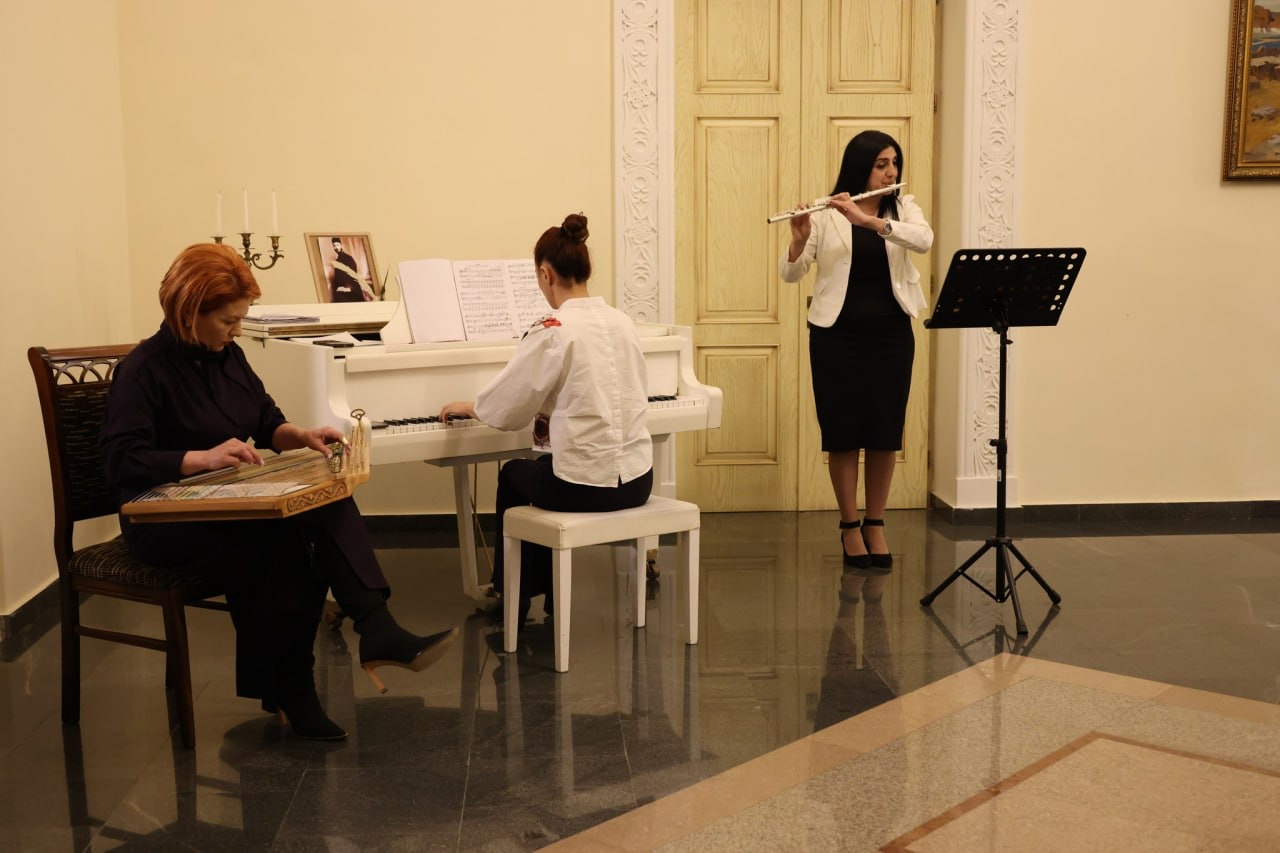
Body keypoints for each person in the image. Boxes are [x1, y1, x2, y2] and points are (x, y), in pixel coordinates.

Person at [101, 243, 458, 741]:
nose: (236, 331)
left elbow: (266, 421)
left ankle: (368, 628)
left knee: (327, 497)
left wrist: (302, 436)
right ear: (188, 312)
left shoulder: (229, 355)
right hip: (162, 519)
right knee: (282, 541)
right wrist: (201, 458)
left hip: (226, 502)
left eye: (240, 320)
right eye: (228, 321)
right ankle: (298, 680)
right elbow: (119, 460)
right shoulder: (143, 370)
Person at [439, 213, 653, 623]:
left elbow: (508, 409)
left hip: (586, 489)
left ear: (545, 274)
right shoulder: (623, 322)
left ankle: (514, 598)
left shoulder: (554, 327)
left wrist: (474, 406)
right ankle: (546, 595)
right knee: (544, 469)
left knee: (513, 475)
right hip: (638, 481)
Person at [779, 130, 933, 571]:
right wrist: (798, 238)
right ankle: (850, 525)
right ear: (860, 167)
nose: (890, 171)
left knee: (885, 431)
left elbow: (923, 241)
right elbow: (791, 274)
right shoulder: (827, 214)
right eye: (881, 164)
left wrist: (868, 221)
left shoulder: (903, 208)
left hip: (891, 334)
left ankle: (875, 523)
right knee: (843, 432)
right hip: (836, 336)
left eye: (894, 163)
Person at [329, 237, 368, 302]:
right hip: (341, 290)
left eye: (337, 245)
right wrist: (338, 288)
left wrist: (348, 288)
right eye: (334, 246)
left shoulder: (349, 258)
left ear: (341, 245)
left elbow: (353, 275)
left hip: (351, 289)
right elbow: (337, 278)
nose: (336, 247)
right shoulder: (336, 261)